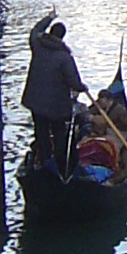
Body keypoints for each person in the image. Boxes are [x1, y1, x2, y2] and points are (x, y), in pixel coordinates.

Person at [22, 14, 82, 173]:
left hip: (36, 102)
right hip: (56, 107)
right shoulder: (64, 57)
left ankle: (45, 163)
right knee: (59, 135)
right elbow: (74, 82)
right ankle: (61, 166)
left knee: (41, 133)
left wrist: (49, 17)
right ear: (62, 37)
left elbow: (35, 30)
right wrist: (83, 88)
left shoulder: (37, 44)